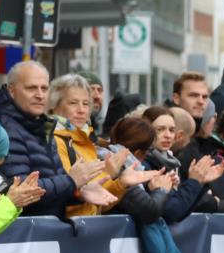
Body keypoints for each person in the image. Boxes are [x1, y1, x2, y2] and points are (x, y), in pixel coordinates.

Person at [0, 61, 113, 218]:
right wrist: (71, 182)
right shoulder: (3, 127)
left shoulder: (42, 125)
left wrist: (78, 194)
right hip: (23, 235)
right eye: (31, 88)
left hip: (47, 231)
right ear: (11, 90)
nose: (39, 94)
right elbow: (19, 188)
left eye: (44, 88)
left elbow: (55, 185)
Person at [49, 74, 153, 217]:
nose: (81, 110)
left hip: (85, 230)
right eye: (73, 103)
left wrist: (121, 183)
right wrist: (107, 175)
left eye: (86, 104)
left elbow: (97, 204)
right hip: (68, 232)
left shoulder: (84, 142)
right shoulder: (55, 141)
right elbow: (63, 199)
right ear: (54, 106)